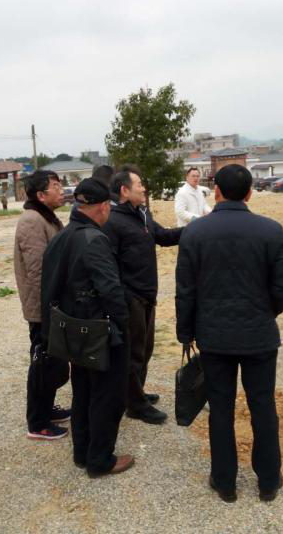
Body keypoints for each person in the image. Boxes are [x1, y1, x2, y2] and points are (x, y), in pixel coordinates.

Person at [176, 164, 283, 503]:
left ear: (215, 192)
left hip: (214, 337)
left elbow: (185, 290)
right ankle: (268, 481)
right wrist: (266, 312)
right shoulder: (271, 230)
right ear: (249, 193)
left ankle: (225, 481)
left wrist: (186, 332)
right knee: (263, 406)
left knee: (220, 408)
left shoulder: (195, 233)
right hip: (259, 335)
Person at [40, 178, 134, 477]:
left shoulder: (62, 236)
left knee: (82, 391)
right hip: (99, 331)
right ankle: (100, 459)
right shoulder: (95, 240)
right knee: (108, 395)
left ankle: (82, 452)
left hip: (72, 329)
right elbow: (111, 291)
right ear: (104, 206)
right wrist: (123, 327)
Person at [103, 170, 182, 425]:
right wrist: (120, 298)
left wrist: (195, 229)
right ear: (124, 190)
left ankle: (136, 392)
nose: (144, 188)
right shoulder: (113, 221)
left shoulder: (143, 214)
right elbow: (109, 264)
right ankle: (135, 405)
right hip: (130, 296)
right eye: (138, 184)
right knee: (133, 352)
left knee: (145, 349)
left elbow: (164, 237)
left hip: (148, 293)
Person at [14, 169, 71, 440]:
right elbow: (38, 271)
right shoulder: (32, 220)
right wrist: (49, 310)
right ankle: (38, 423)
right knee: (42, 362)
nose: (61, 190)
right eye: (56, 186)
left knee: (52, 360)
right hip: (43, 308)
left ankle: (47, 408)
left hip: (52, 305)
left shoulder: (46, 216)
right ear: (40, 195)